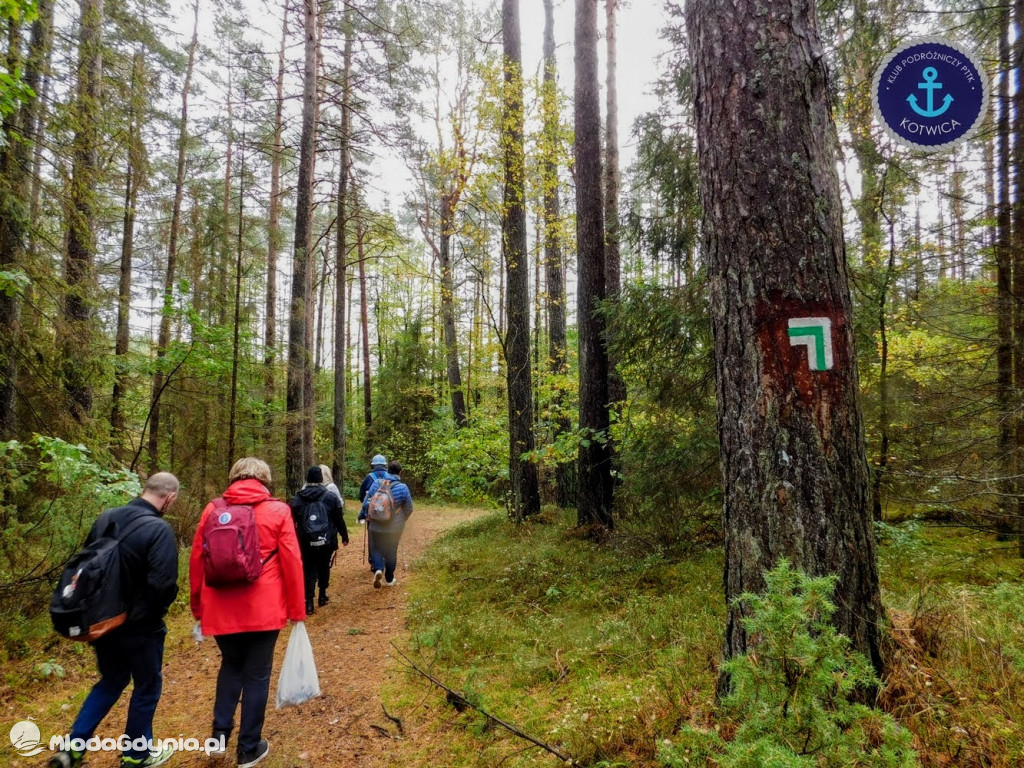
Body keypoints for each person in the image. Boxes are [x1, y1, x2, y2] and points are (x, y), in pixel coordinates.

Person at [49, 473, 180, 768]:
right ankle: (136, 755)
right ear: (169, 498)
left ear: (144, 490)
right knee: (146, 687)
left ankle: (72, 749)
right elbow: (162, 584)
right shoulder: (158, 530)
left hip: (102, 622)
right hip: (140, 626)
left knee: (111, 681)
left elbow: (84, 567)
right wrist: (148, 615)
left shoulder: (106, 518)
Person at [189, 458, 305, 768]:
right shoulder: (278, 511)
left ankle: (218, 738)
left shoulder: (213, 510)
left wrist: (198, 608)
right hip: (263, 610)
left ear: (234, 478)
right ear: (265, 480)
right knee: (256, 675)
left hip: (220, 608)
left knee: (231, 667)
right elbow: (292, 562)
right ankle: (248, 748)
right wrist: (297, 609)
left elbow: (197, 561)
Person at [291, 465, 349, 614]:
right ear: (321, 479)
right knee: (324, 566)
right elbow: (338, 519)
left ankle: (308, 602)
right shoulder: (330, 497)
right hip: (326, 539)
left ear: (307, 479)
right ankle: (322, 595)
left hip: (305, 540)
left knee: (309, 569)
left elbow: (291, 520)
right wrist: (344, 536)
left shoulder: (298, 498)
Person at [358, 460, 413, 588]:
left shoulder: (377, 483)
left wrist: (364, 516)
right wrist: (401, 520)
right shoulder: (403, 488)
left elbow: (366, 502)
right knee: (391, 551)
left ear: (387, 470)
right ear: (400, 472)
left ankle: (378, 569)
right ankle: (389, 579)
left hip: (376, 525)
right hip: (394, 528)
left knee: (376, 548)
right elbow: (409, 508)